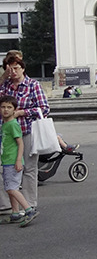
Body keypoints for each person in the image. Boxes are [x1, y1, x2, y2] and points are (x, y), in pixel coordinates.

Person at [1, 51, 51, 222]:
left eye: (16, 68)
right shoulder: (5, 85)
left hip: (27, 131)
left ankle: (29, 203)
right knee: (5, 169)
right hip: (6, 135)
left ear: (23, 68)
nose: (13, 72)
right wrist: (3, 77)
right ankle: (8, 206)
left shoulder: (32, 85)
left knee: (29, 169)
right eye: (10, 69)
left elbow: (43, 108)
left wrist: (22, 112)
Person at [0, 96, 32, 225]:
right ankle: (15, 213)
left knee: (11, 188)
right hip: (6, 160)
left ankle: (29, 210)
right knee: (9, 187)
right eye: (3, 107)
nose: (5, 110)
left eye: (9, 107)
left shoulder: (13, 124)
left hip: (12, 161)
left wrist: (18, 160)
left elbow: (20, 144)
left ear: (15, 110)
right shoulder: (5, 124)